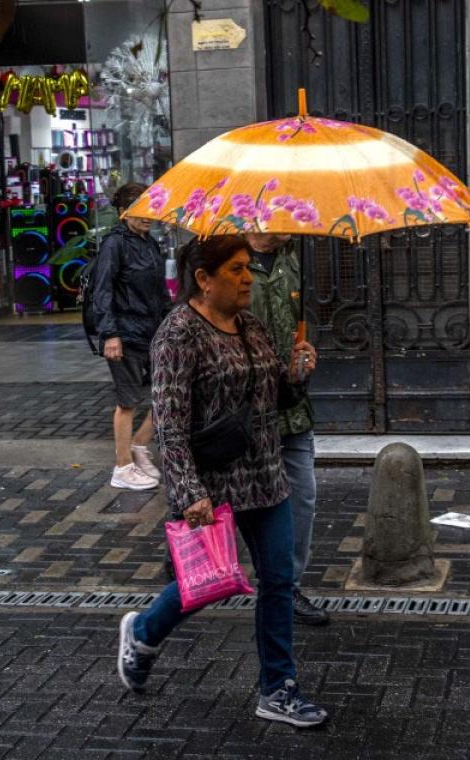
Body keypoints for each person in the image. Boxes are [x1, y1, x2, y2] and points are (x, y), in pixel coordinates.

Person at [117, 235, 328, 728]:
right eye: (235, 270)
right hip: (211, 485)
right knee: (207, 585)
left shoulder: (250, 325)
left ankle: (277, 689)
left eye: (248, 268)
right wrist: (190, 493)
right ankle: (143, 633)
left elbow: (272, 393)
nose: (248, 277)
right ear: (204, 279)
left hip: (265, 477)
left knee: (277, 581)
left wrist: (295, 373)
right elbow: (169, 424)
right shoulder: (177, 335)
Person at [245, 232, 329, 627]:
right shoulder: (228, 262)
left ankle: (287, 586)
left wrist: (306, 351)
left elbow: (305, 319)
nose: (289, 224)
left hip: (293, 406)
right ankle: (190, 563)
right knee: (231, 501)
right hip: (244, 409)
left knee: (302, 499)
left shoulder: (295, 259)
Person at [90, 183, 169, 491]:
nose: (149, 215)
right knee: (128, 401)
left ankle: (139, 445)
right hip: (124, 333)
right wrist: (110, 335)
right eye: (142, 210)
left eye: (152, 207)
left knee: (164, 394)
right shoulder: (114, 244)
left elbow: (160, 290)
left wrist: (170, 324)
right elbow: (103, 291)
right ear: (124, 212)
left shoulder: (149, 243)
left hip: (152, 332)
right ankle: (122, 467)